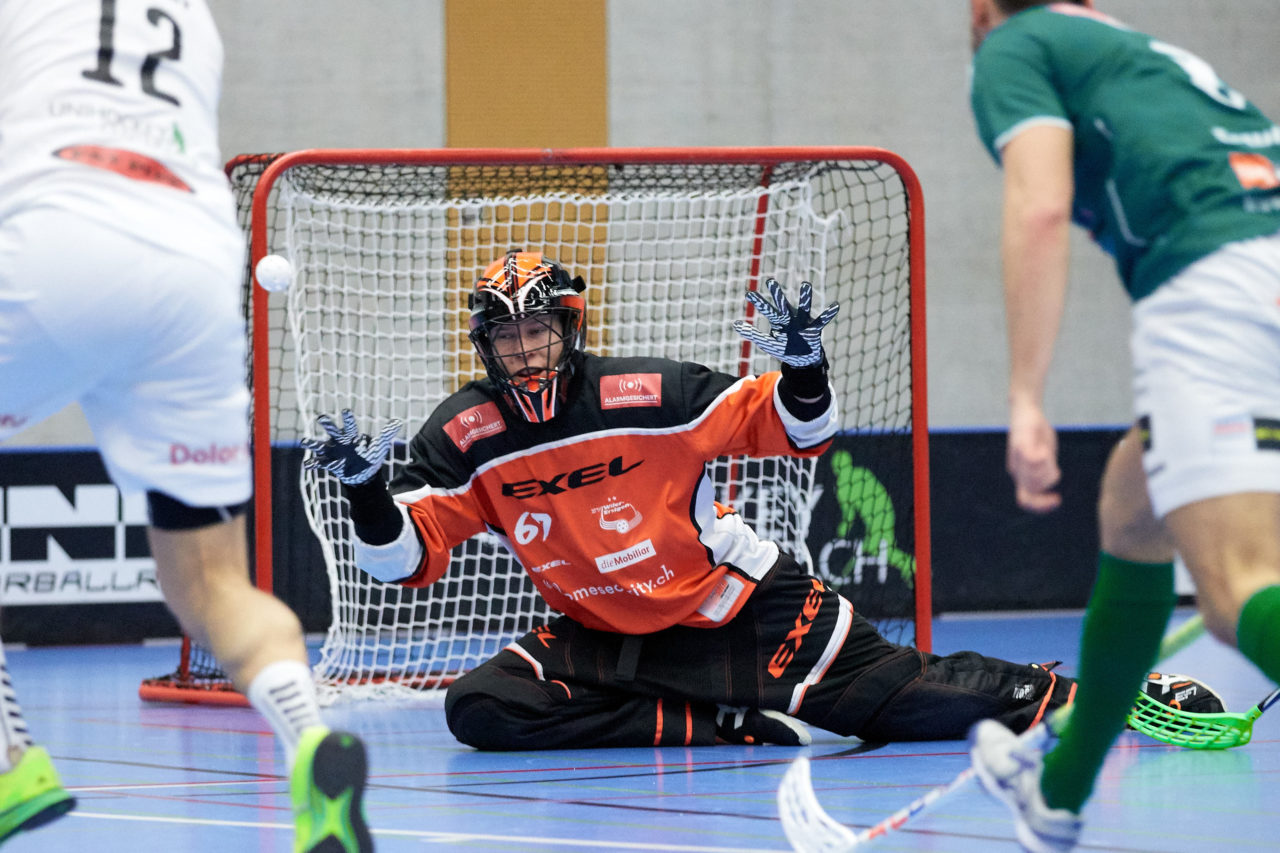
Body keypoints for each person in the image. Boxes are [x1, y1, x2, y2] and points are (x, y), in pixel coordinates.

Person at [304, 249, 1083, 752]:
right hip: (607, 637)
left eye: (536, 330)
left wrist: (805, 368)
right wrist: (367, 492)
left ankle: (1083, 692)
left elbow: (798, 430)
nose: (523, 351)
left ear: (567, 329)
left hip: (739, 609)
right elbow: (403, 563)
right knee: (481, 708)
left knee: (903, 701)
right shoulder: (464, 433)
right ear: (485, 346)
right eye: (506, 338)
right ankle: (724, 726)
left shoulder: (654, 392)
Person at [0, 2, 372, 850]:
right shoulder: (190, 19)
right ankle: (312, 743)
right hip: (194, 266)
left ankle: (11, 759)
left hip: (59, 226)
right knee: (211, 585)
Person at [963, 1, 1280, 850]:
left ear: (982, 11)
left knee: (1236, 589)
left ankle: (1061, 785)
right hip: (1263, 267)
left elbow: (1038, 209)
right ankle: (1060, 788)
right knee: (1133, 496)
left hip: (1218, 289)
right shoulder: (1140, 51)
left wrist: (1025, 394)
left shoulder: (1016, 45)